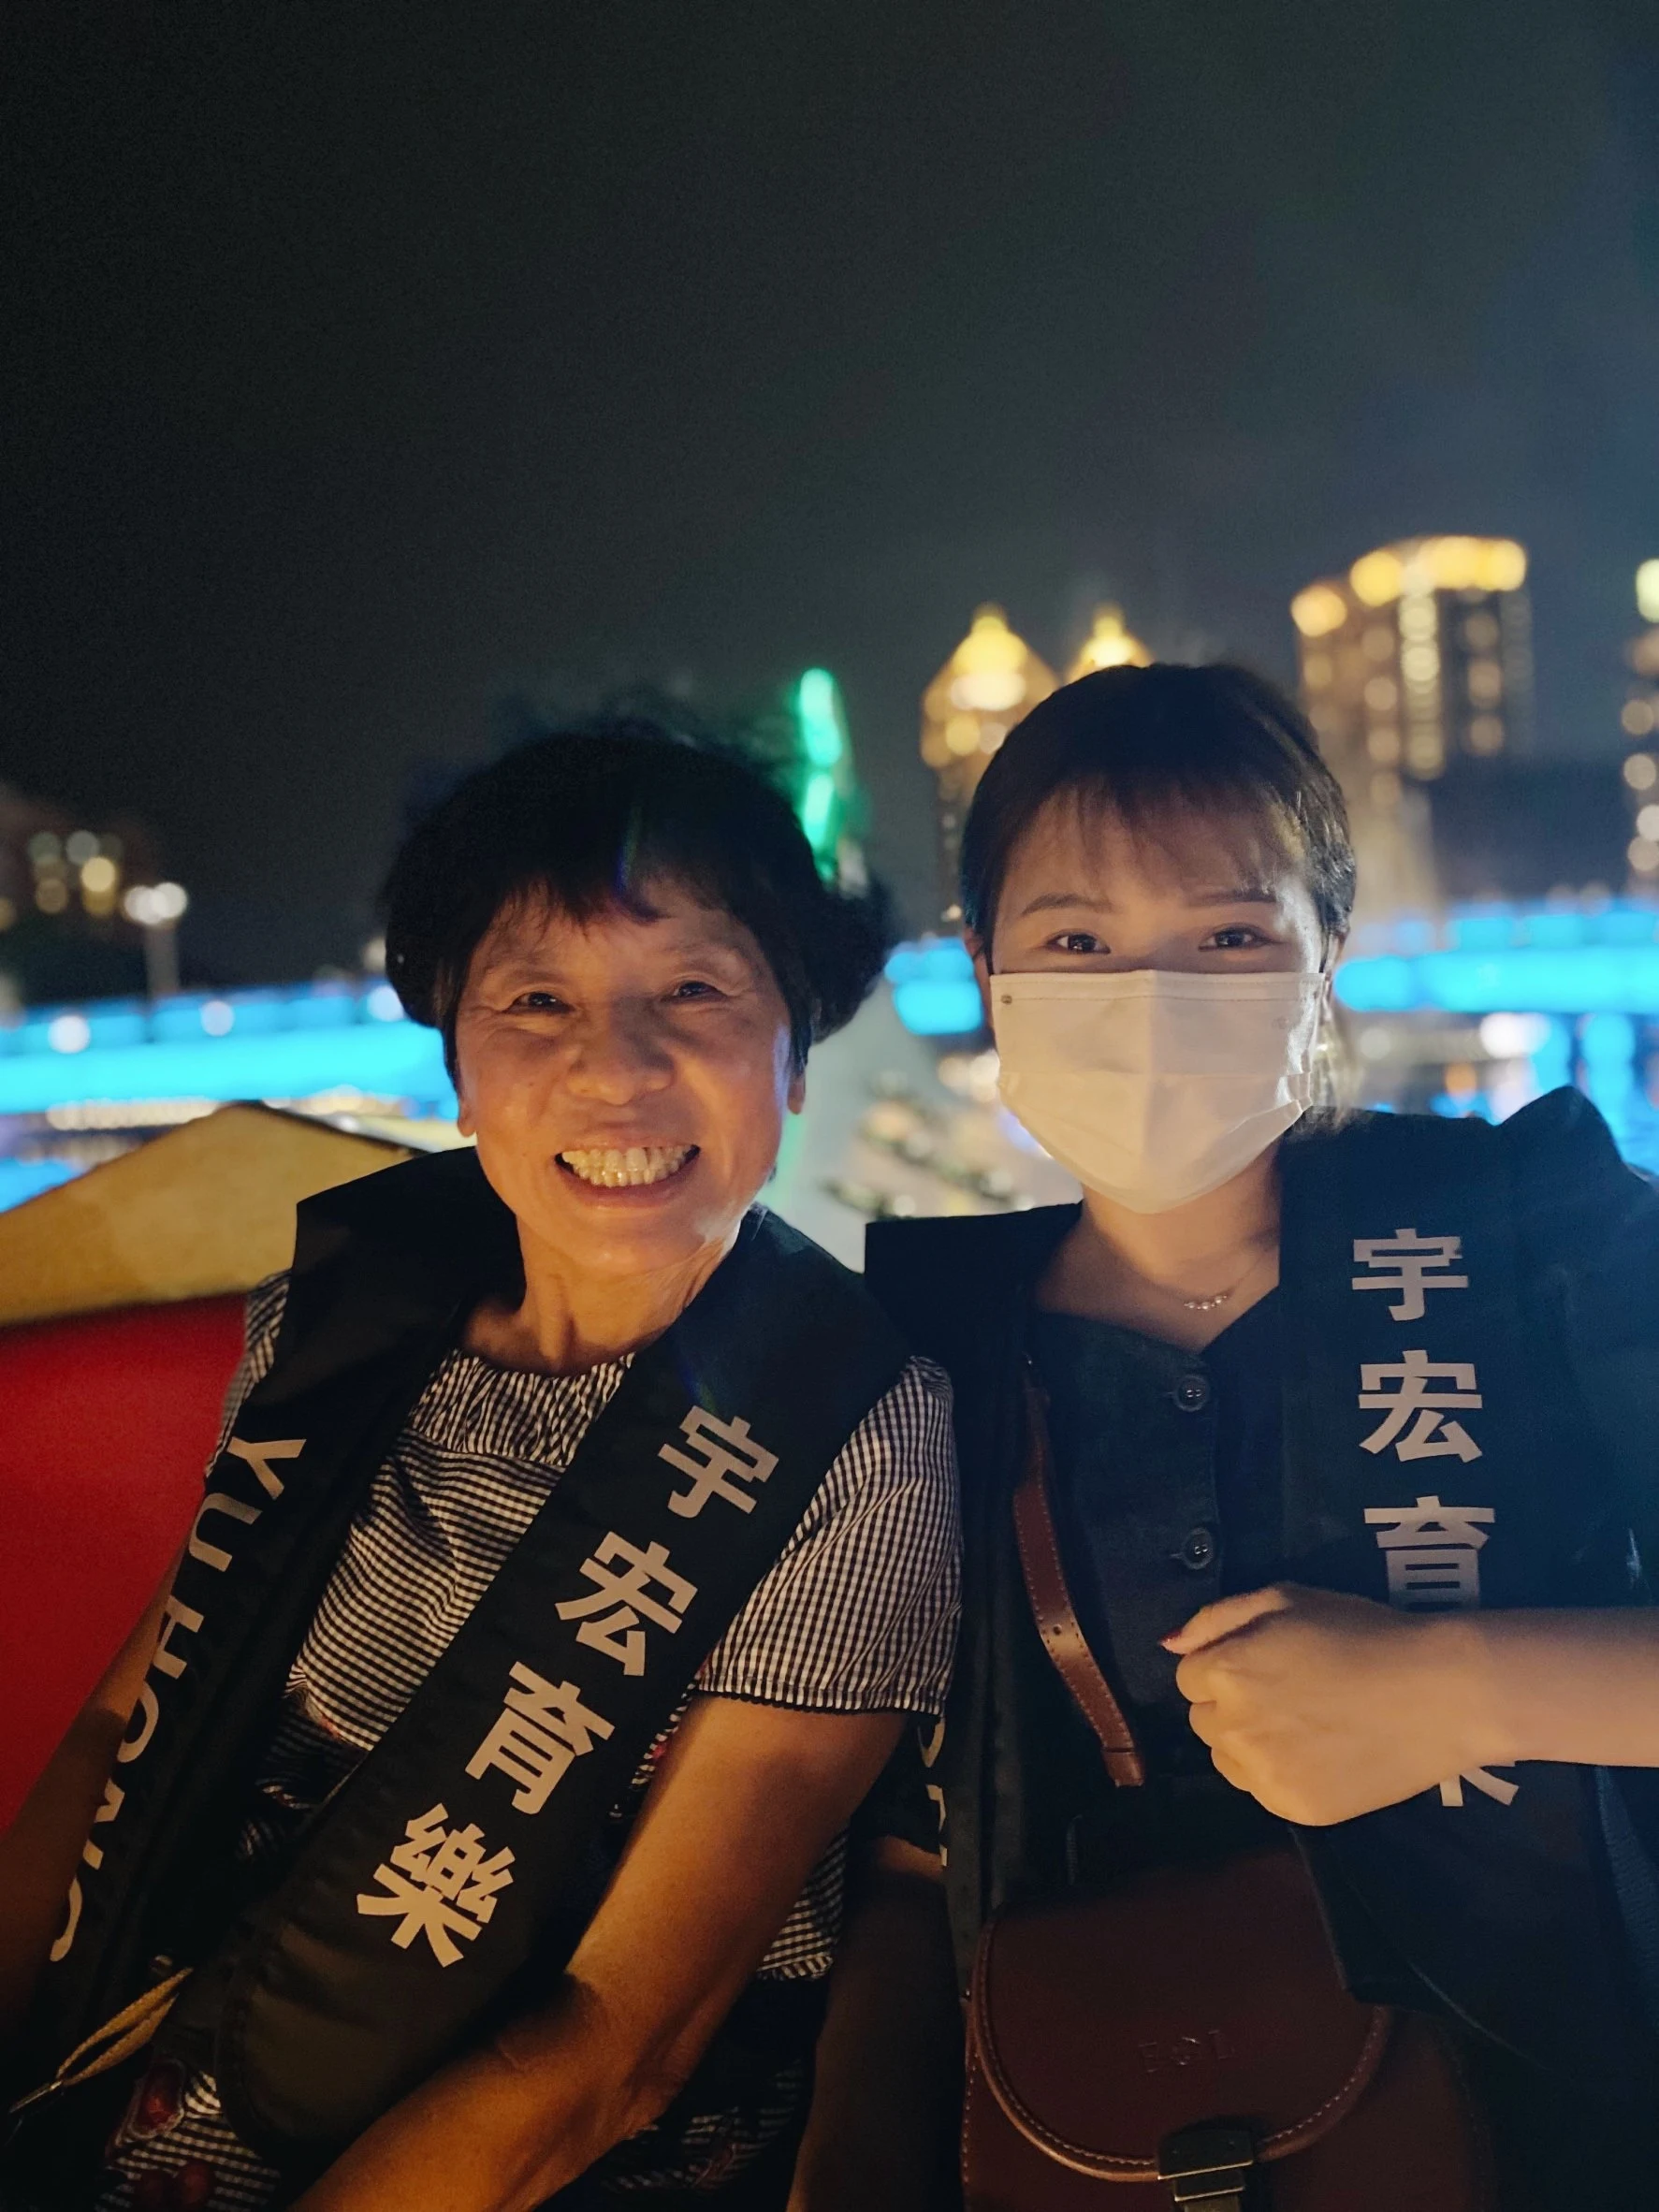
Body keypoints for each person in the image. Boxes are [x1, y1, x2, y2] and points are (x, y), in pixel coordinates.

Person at [0, 723, 959, 2212]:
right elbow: (128, 1721)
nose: (615, 1068)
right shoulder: (335, 1320)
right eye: (536, 1000)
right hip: (157, 2061)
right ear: (457, 1066)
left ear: (794, 1053)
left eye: (694, 991)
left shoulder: (857, 1435)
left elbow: (619, 2042)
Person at [827, 662, 1659, 2209]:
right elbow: (901, 1845)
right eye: (1079, 942)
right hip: (1115, 2132)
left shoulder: (1541, 1233)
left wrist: (1465, 1683)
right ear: (987, 970)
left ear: (1324, 955)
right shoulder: (927, 1345)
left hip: (1573, 2116)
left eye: (1228, 936)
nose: (1150, 996)